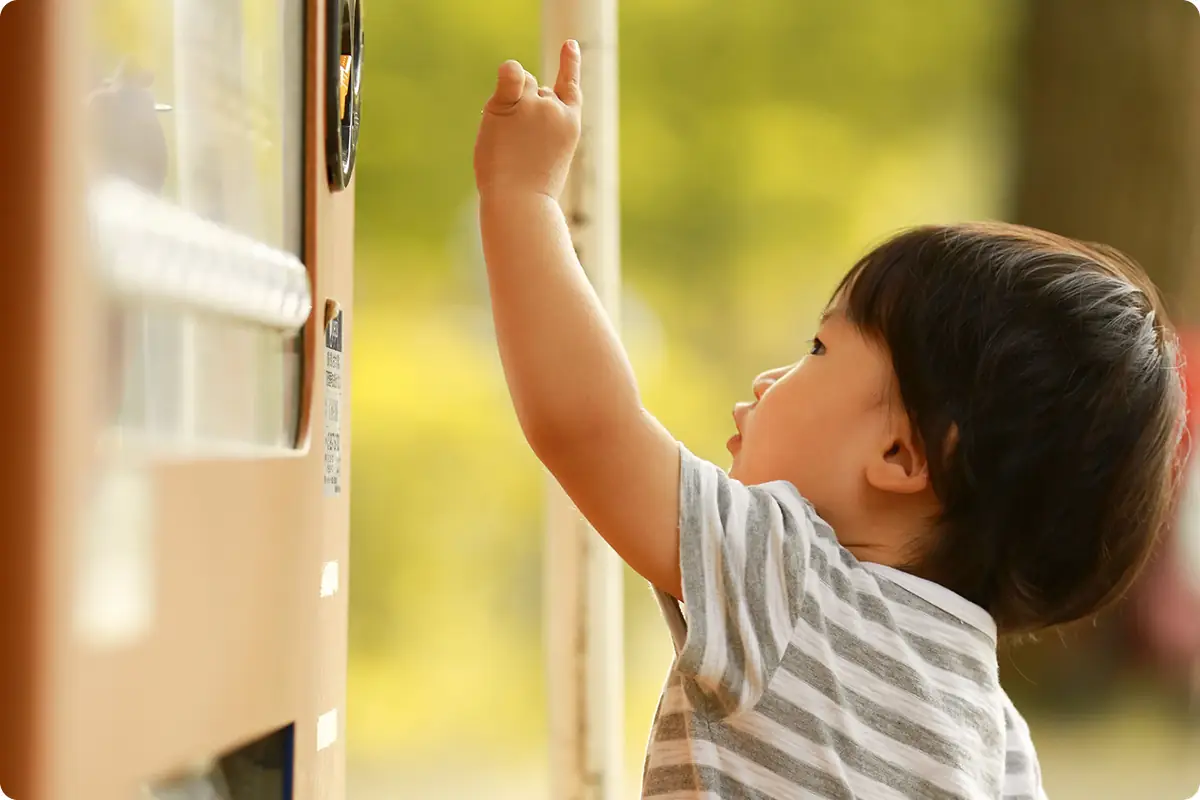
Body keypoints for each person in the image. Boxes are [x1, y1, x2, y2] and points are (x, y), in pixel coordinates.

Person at [473, 41, 1187, 799]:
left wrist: (523, 199)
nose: (771, 376)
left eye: (819, 347)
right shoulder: (999, 739)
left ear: (904, 456)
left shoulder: (789, 580)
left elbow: (587, 425)